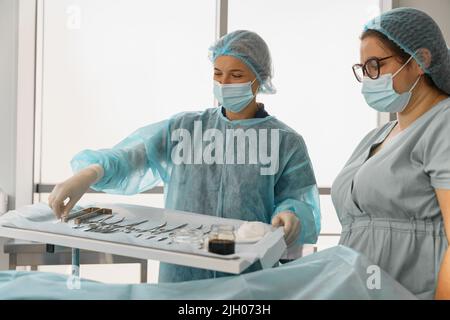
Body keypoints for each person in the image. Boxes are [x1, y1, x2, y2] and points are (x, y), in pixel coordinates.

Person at [48, 30, 321, 283]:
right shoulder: (184, 129)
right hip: (180, 276)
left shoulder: (285, 142)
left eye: (236, 75)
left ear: (259, 79)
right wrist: (89, 173)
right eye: (218, 73)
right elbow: (131, 157)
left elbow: (298, 201)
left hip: (248, 280)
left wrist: (290, 215)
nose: (224, 83)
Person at [332, 8, 450, 299]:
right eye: (363, 68)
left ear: (420, 61)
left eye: (375, 65)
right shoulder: (378, 137)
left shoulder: (444, 124)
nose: (369, 77)